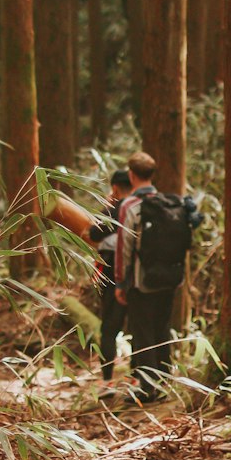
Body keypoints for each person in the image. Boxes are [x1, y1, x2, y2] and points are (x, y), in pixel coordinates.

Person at [114, 150, 195, 404]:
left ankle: (146, 388)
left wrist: (120, 281)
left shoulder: (130, 206)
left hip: (142, 280)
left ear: (132, 175)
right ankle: (164, 381)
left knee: (143, 332)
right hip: (170, 279)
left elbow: (124, 247)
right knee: (162, 328)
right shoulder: (172, 203)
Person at [87, 169, 130, 393]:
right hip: (139, 275)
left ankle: (107, 381)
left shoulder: (115, 209)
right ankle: (141, 380)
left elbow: (94, 233)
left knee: (109, 329)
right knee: (140, 327)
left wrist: (107, 206)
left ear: (114, 188)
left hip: (113, 272)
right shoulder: (141, 207)